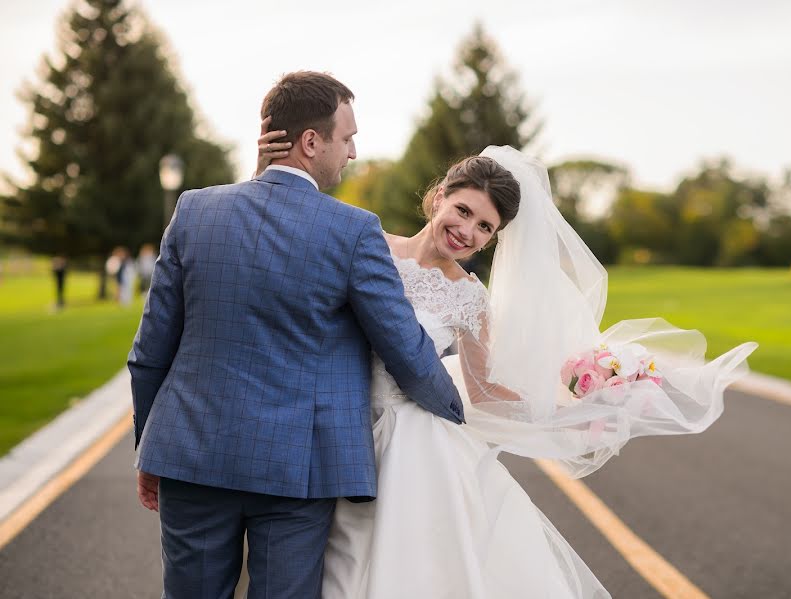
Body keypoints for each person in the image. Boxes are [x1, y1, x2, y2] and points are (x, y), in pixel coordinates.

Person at [252, 142, 757, 597]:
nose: (466, 231)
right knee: (327, 565)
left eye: (484, 227)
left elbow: (485, 390)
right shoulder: (368, 245)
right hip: (334, 429)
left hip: (415, 447)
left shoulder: (471, 299)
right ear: (439, 197)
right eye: (464, 210)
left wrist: (572, 410)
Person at [128, 71, 464, 599]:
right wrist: (463, 417)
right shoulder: (354, 231)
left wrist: (149, 446)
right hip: (297, 470)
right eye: (347, 138)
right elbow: (407, 353)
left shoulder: (193, 211)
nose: (352, 152)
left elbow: (149, 354)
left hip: (189, 454)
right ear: (312, 142)